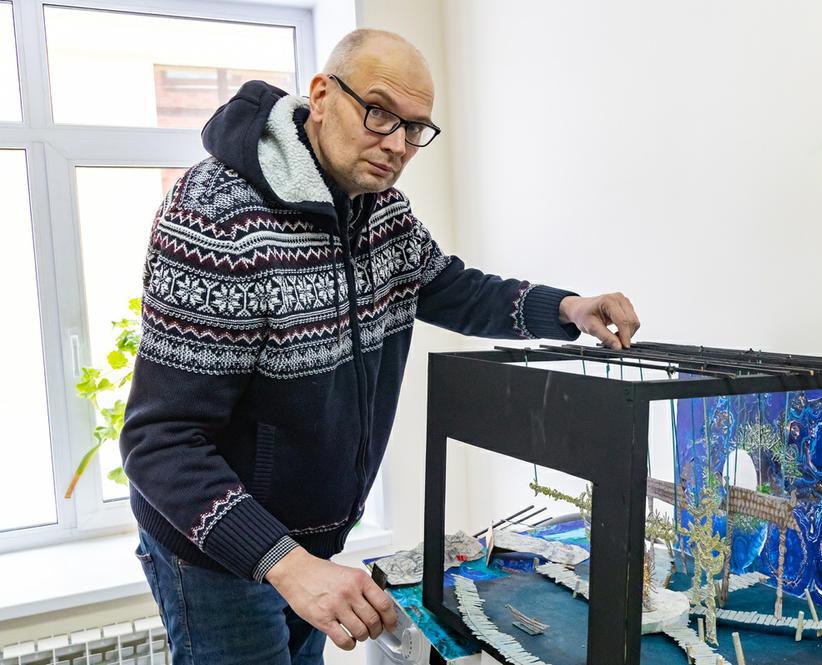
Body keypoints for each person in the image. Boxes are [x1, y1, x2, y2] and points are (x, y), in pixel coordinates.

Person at [120, 28, 640, 664]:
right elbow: (160, 441)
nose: (396, 143)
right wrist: (287, 564)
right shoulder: (216, 216)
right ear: (320, 96)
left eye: (415, 128)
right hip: (217, 557)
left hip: (309, 546)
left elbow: (449, 287)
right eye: (378, 112)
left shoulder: (380, 208)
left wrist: (565, 309)